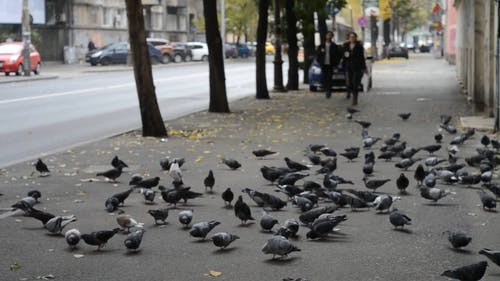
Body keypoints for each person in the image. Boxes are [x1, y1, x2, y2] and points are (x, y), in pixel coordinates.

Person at [342, 32, 367, 106]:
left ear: (356, 38)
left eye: (353, 37)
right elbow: (344, 56)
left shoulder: (359, 46)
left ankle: (355, 98)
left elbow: (362, 58)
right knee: (349, 83)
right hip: (348, 67)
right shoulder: (346, 46)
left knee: (355, 83)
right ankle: (351, 92)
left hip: (357, 67)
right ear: (349, 38)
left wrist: (364, 68)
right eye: (350, 37)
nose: (352, 38)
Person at [316, 31, 341, 99]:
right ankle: (326, 89)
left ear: (332, 37)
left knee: (329, 77)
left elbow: (337, 56)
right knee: (324, 77)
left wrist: (336, 64)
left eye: (330, 35)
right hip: (324, 64)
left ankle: (328, 90)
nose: (329, 37)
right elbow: (317, 55)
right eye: (328, 35)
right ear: (326, 36)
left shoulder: (334, 46)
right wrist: (320, 60)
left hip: (331, 64)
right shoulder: (321, 46)